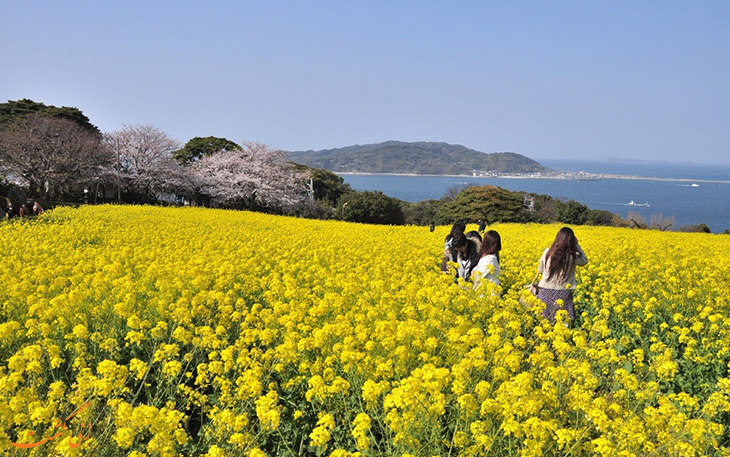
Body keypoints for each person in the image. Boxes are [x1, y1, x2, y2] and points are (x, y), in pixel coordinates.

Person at [536, 227, 588, 323]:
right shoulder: (573, 255)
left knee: (544, 324)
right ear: (571, 241)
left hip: (545, 293)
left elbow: (540, 270)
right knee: (562, 326)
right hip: (563, 294)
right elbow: (584, 261)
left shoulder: (547, 252)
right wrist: (576, 245)